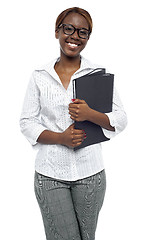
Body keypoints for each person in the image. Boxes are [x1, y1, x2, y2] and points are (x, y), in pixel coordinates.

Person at [20, 7, 127, 240]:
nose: (74, 36)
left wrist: (90, 114)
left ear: (88, 37)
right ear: (57, 31)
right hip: (50, 174)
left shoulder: (97, 74)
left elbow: (120, 119)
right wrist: (60, 138)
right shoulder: (40, 75)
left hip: (91, 174)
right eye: (68, 28)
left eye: (83, 32)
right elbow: (27, 122)